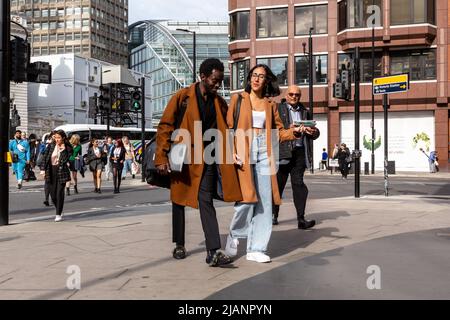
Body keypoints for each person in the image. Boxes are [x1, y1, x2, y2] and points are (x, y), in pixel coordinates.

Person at [154, 58, 242, 266]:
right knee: (178, 199)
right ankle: (180, 243)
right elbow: (165, 125)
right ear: (203, 77)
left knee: (206, 201)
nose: (218, 84)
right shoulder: (182, 97)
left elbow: (226, 131)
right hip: (182, 156)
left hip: (208, 159)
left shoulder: (219, 102)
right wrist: (161, 157)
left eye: (220, 81)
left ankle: (213, 251)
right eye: (214, 80)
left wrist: (233, 153)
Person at [224, 65, 304, 263]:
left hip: (264, 151)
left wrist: (296, 131)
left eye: (261, 76)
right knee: (246, 199)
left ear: (267, 80)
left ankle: (256, 248)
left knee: (265, 202)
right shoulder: (238, 99)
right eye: (254, 75)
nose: (256, 79)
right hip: (243, 149)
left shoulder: (270, 105)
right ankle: (234, 235)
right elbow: (227, 127)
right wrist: (230, 151)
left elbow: (280, 132)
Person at [271, 85, 320, 229]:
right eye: (291, 94)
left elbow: (315, 133)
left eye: (297, 95)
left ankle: (301, 218)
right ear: (286, 95)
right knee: (278, 186)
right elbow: (275, 131)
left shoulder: (305, 111)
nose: (294, 97)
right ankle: (274, 215)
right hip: (283, 152)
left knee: (298, 185)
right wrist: (290, 130)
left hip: (299, 152)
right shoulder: (279, 109)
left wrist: (313, 132)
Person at [40, 129, 72, 222]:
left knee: (59, 193)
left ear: (63, 138)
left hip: (61, 171)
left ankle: (58, 213)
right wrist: (42, 169)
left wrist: (62, 150)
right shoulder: (51, 145)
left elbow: (65, 160)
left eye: (59, 138)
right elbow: (45, 158)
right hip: (51, 170)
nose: (57, 139)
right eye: (56, 137)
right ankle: (59, 208)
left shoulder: (67, 147)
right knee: (52, 194)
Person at [40, 131, 55, 206]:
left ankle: (53, 198)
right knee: (47, 182)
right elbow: (45, 157)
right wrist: (42, 169)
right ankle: (46, 199)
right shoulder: (49, 145)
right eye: (53, 136)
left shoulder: (62, 145)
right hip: (49, 167)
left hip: (56, 167)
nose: (55, 138)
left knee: (53, 184)